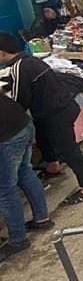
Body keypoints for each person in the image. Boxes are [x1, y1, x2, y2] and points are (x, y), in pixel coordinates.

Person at [0, 32, 83, 205]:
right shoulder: (32, 60)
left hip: (55, 112)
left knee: (68, 150)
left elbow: (19, 100)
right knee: (43, 135)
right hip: (59, 106)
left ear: (2, 53)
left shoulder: (19, 67)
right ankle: (52, 165)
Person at [0, 93, 54, 261]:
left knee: (5, 189)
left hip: (6, 136)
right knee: (24, 172)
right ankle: (42, 219)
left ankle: (18, 239)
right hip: (22, 123)